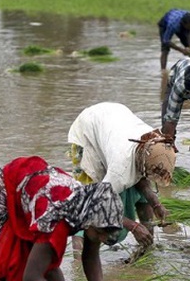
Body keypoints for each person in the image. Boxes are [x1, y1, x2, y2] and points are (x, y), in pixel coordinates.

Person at [68, 102, 176, 252]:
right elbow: (99, 204)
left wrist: (156, 204)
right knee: (86, 200)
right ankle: (78, 258)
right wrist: (133, 226)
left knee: (141, 191)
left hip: (112, 120)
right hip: (87, 131)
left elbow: (142, 178)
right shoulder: (120, 171)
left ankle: (147, 248)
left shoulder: (154, 142)